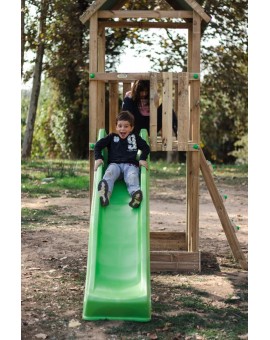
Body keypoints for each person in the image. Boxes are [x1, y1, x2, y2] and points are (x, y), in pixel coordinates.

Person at [94, 110, 150, 208]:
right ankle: (105, 194)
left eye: (126, 126)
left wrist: (142, 158)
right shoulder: (112, 137)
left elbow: (146, 147)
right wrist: (98, 158)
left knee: (132, 176)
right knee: (109, 173)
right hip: (115, 165)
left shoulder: (134, 138)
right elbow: (98, 145)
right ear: (116, 127)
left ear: (131, 128)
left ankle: (135, 195)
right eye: (120, 126)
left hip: (130, 165)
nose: (122, 129)